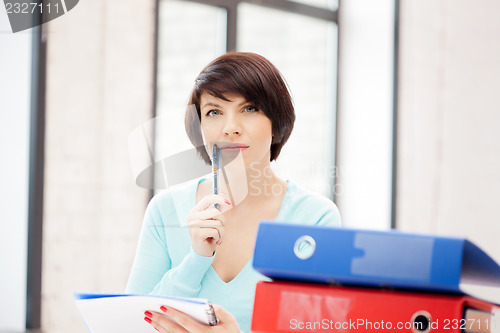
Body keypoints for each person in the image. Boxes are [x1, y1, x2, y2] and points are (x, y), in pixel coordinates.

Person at [126, 52, 341, 332]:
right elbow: (132, 324)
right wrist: (196, 259)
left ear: (277, 121)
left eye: (249, 109)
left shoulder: (315, 217)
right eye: (214, 112)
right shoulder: (164, 209)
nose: (230, 129)